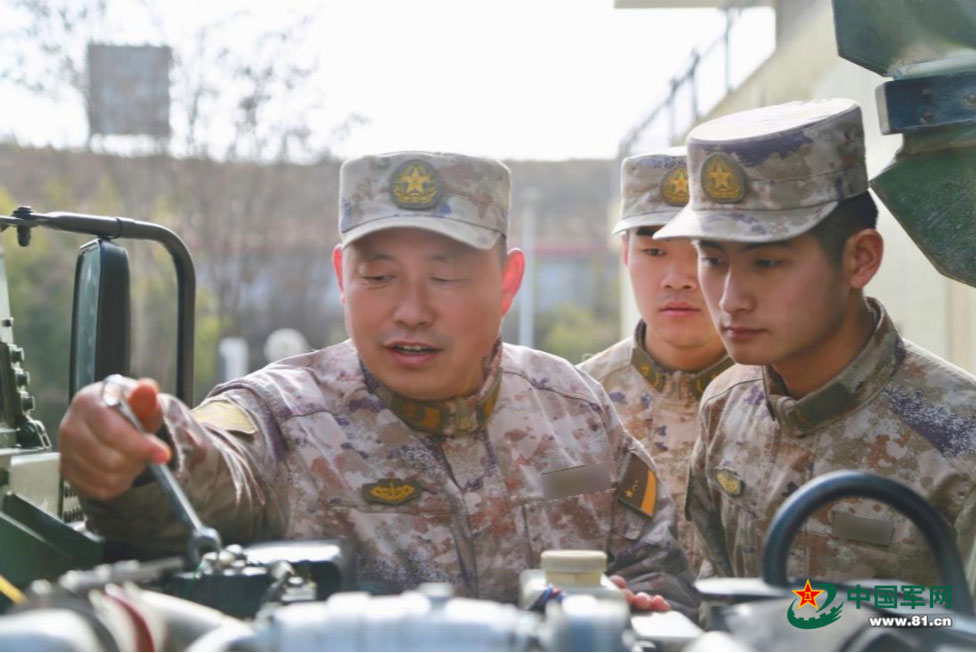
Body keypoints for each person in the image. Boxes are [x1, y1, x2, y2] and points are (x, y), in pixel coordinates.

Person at [59, 151, 696, 615]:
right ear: (343, 276)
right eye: (379, 276)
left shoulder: (575, 412)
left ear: (507, 282)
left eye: (445, 277)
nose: (411, 311)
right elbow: (213, 472)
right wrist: (141, 450)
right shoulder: (284, 417)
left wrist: (637, 611)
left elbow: (658, 570)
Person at [654, 99, 976, 586]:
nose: (731, 300)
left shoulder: (960, 443)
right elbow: (715, 594)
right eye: (714, 260)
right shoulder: (726, 406)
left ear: (860, 259)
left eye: (766, 263)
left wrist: (873, 621)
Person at [579, 148, 729, 568]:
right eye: (655, 251)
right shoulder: (577, 405)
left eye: (702, 253)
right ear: (626, 253)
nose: (678, 280)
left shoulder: (778, 399)